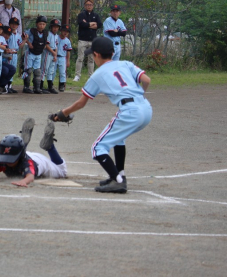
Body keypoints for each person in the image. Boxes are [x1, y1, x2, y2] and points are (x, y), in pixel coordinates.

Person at [52, 37, 152, 193]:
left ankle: (118, 182)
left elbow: (81, 103)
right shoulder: (125, 64)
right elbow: (146, 80)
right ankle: (119, 175)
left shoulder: (98, 75)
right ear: (112, 53)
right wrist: (136, 99)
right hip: (145, 108)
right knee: (119, 139)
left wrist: (63, 113)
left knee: (98, 148)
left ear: (97, 55)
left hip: (130, 111)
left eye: (93, 54)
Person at [0, 121, 68, 187]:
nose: (7, 162)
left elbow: (30, 176)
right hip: (25, 154)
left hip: (40, 161)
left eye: (10, 159)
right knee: (17, 154)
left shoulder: (26, 162)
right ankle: (21, 145)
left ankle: (50, 147)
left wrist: (23, 181)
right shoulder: (1, 159)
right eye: (6, 158)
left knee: (62, 171)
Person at [75, 0, 102, 82]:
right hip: (82, 39)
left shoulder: (96, 15)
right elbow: (81, 24)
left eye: (90, 4)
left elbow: (100, 24)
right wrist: (91, 24)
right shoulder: (81, 15)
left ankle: (91, 76)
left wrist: (88, 24)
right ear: (84, 6)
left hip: (92, 40)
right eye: (87, 5)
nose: (89, 6)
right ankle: (77, 75)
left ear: (92, 6)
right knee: (80, 58)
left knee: (91, 59)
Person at [22, 15, 48, 94]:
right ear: (37, 24)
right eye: (40, 24)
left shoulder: (45, 33)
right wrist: (28, 42)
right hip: (30, 53)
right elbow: (23, 35)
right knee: (28, 70)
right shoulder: (31, 31)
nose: (41, 26)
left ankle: (36, 87)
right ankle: (26, 87)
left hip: (38, 53)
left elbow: (46, 42)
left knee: (37, 71)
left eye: (43, 24)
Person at [3, 17, 24, 93]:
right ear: (9, 24)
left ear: (18, 25)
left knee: (13, 70)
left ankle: (9, 86)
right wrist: (8, 54)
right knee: (8, 70)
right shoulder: (8, 34)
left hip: (15, 54)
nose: (14, 25)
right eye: (12, 24)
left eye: (16, 24)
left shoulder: (18, 35)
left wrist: (25, 40)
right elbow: (5, 44)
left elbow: (20, 46)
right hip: (8, 54)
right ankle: (5, 86)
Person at [0, 25, 17, 94]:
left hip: (2, 61)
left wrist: (9, 54)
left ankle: (2, 85)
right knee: (5, 70)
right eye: (5, 34)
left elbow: (5, 52)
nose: (7, 36)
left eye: (9, 34)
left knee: (12, 69)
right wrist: (7, 53)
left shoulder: (5, 41)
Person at [43, 19, 60, 94]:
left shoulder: (56, 36)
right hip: (48, 53)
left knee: (51, 71)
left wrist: (55, 54)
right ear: (51, 27)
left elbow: (56, 46)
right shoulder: (48, 34)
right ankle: (40, 86)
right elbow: (46, 45)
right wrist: (53, 52)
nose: (55, 28)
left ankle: (50, 87)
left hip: (53, 54)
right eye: (54, 27)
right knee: (45, 70)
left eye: (57, 27)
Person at [55, 25, 73, 92]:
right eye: (64, 31)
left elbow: (68, 52)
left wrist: (68, 61)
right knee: (52, 71)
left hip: (62, 57)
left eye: (67, 32)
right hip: (55, 56)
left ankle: (62, 85)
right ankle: (50, 84)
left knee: (62, 72)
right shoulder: (56, 37)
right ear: (61, 31)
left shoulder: (67, 41)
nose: (65, 33)